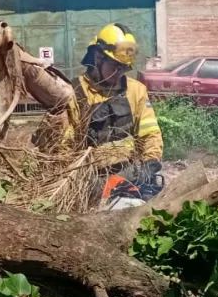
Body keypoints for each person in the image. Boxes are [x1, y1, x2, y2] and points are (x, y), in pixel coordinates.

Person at [63, 23, 164, 199]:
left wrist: (150, 162)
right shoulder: (74, 93)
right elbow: (64, 148)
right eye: (115, 67)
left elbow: (150, 133)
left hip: (129, 174)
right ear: (98, 57)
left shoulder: (136, 90)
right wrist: (81, 182)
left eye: (124, 69)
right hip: (89, 179)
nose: (119, 73)